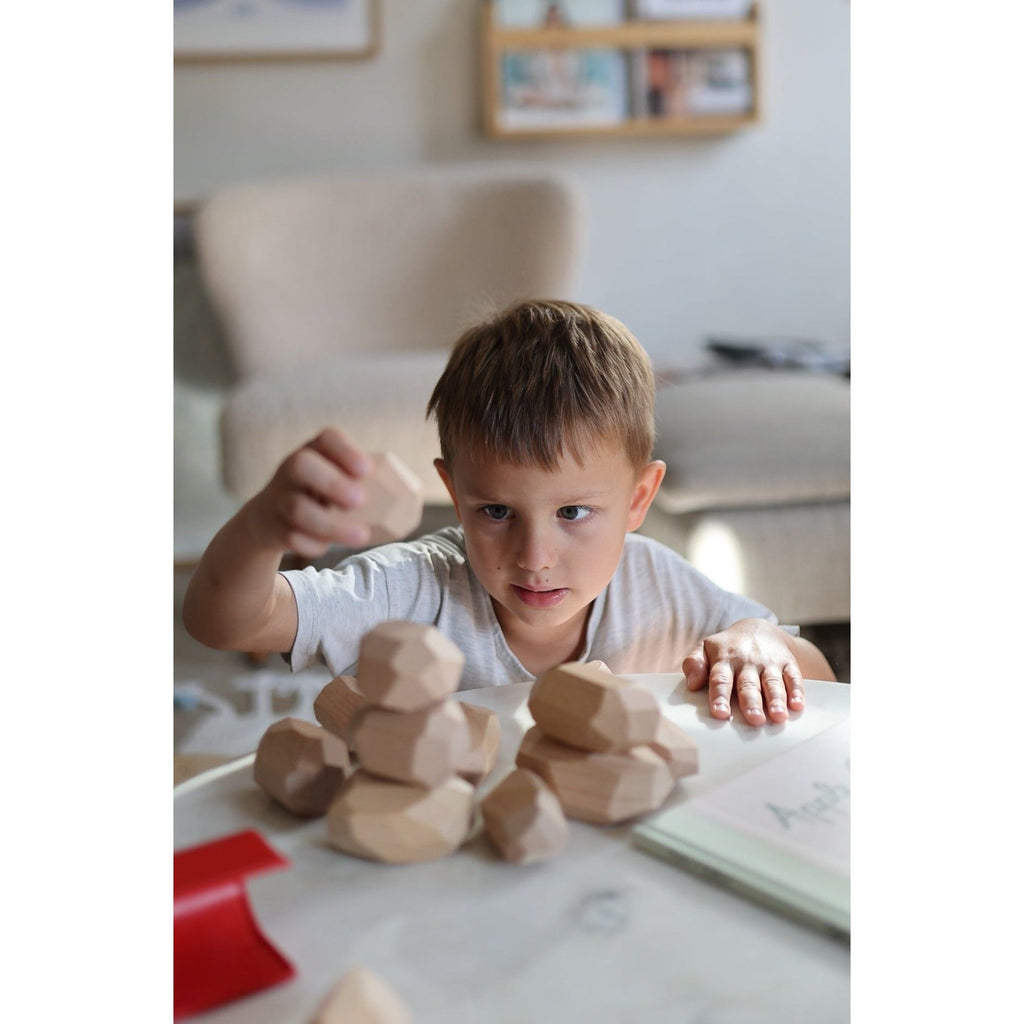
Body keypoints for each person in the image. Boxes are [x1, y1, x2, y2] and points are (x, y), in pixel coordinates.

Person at [183, 299, 836, 726]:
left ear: (639, 498)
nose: (534, 557)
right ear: (453, 493)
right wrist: (262, 527)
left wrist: (763, 643)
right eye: (496, 511)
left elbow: (823, 679)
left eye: (573, 512)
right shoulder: (414, 587)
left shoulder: (659, 586)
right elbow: (225, 623)